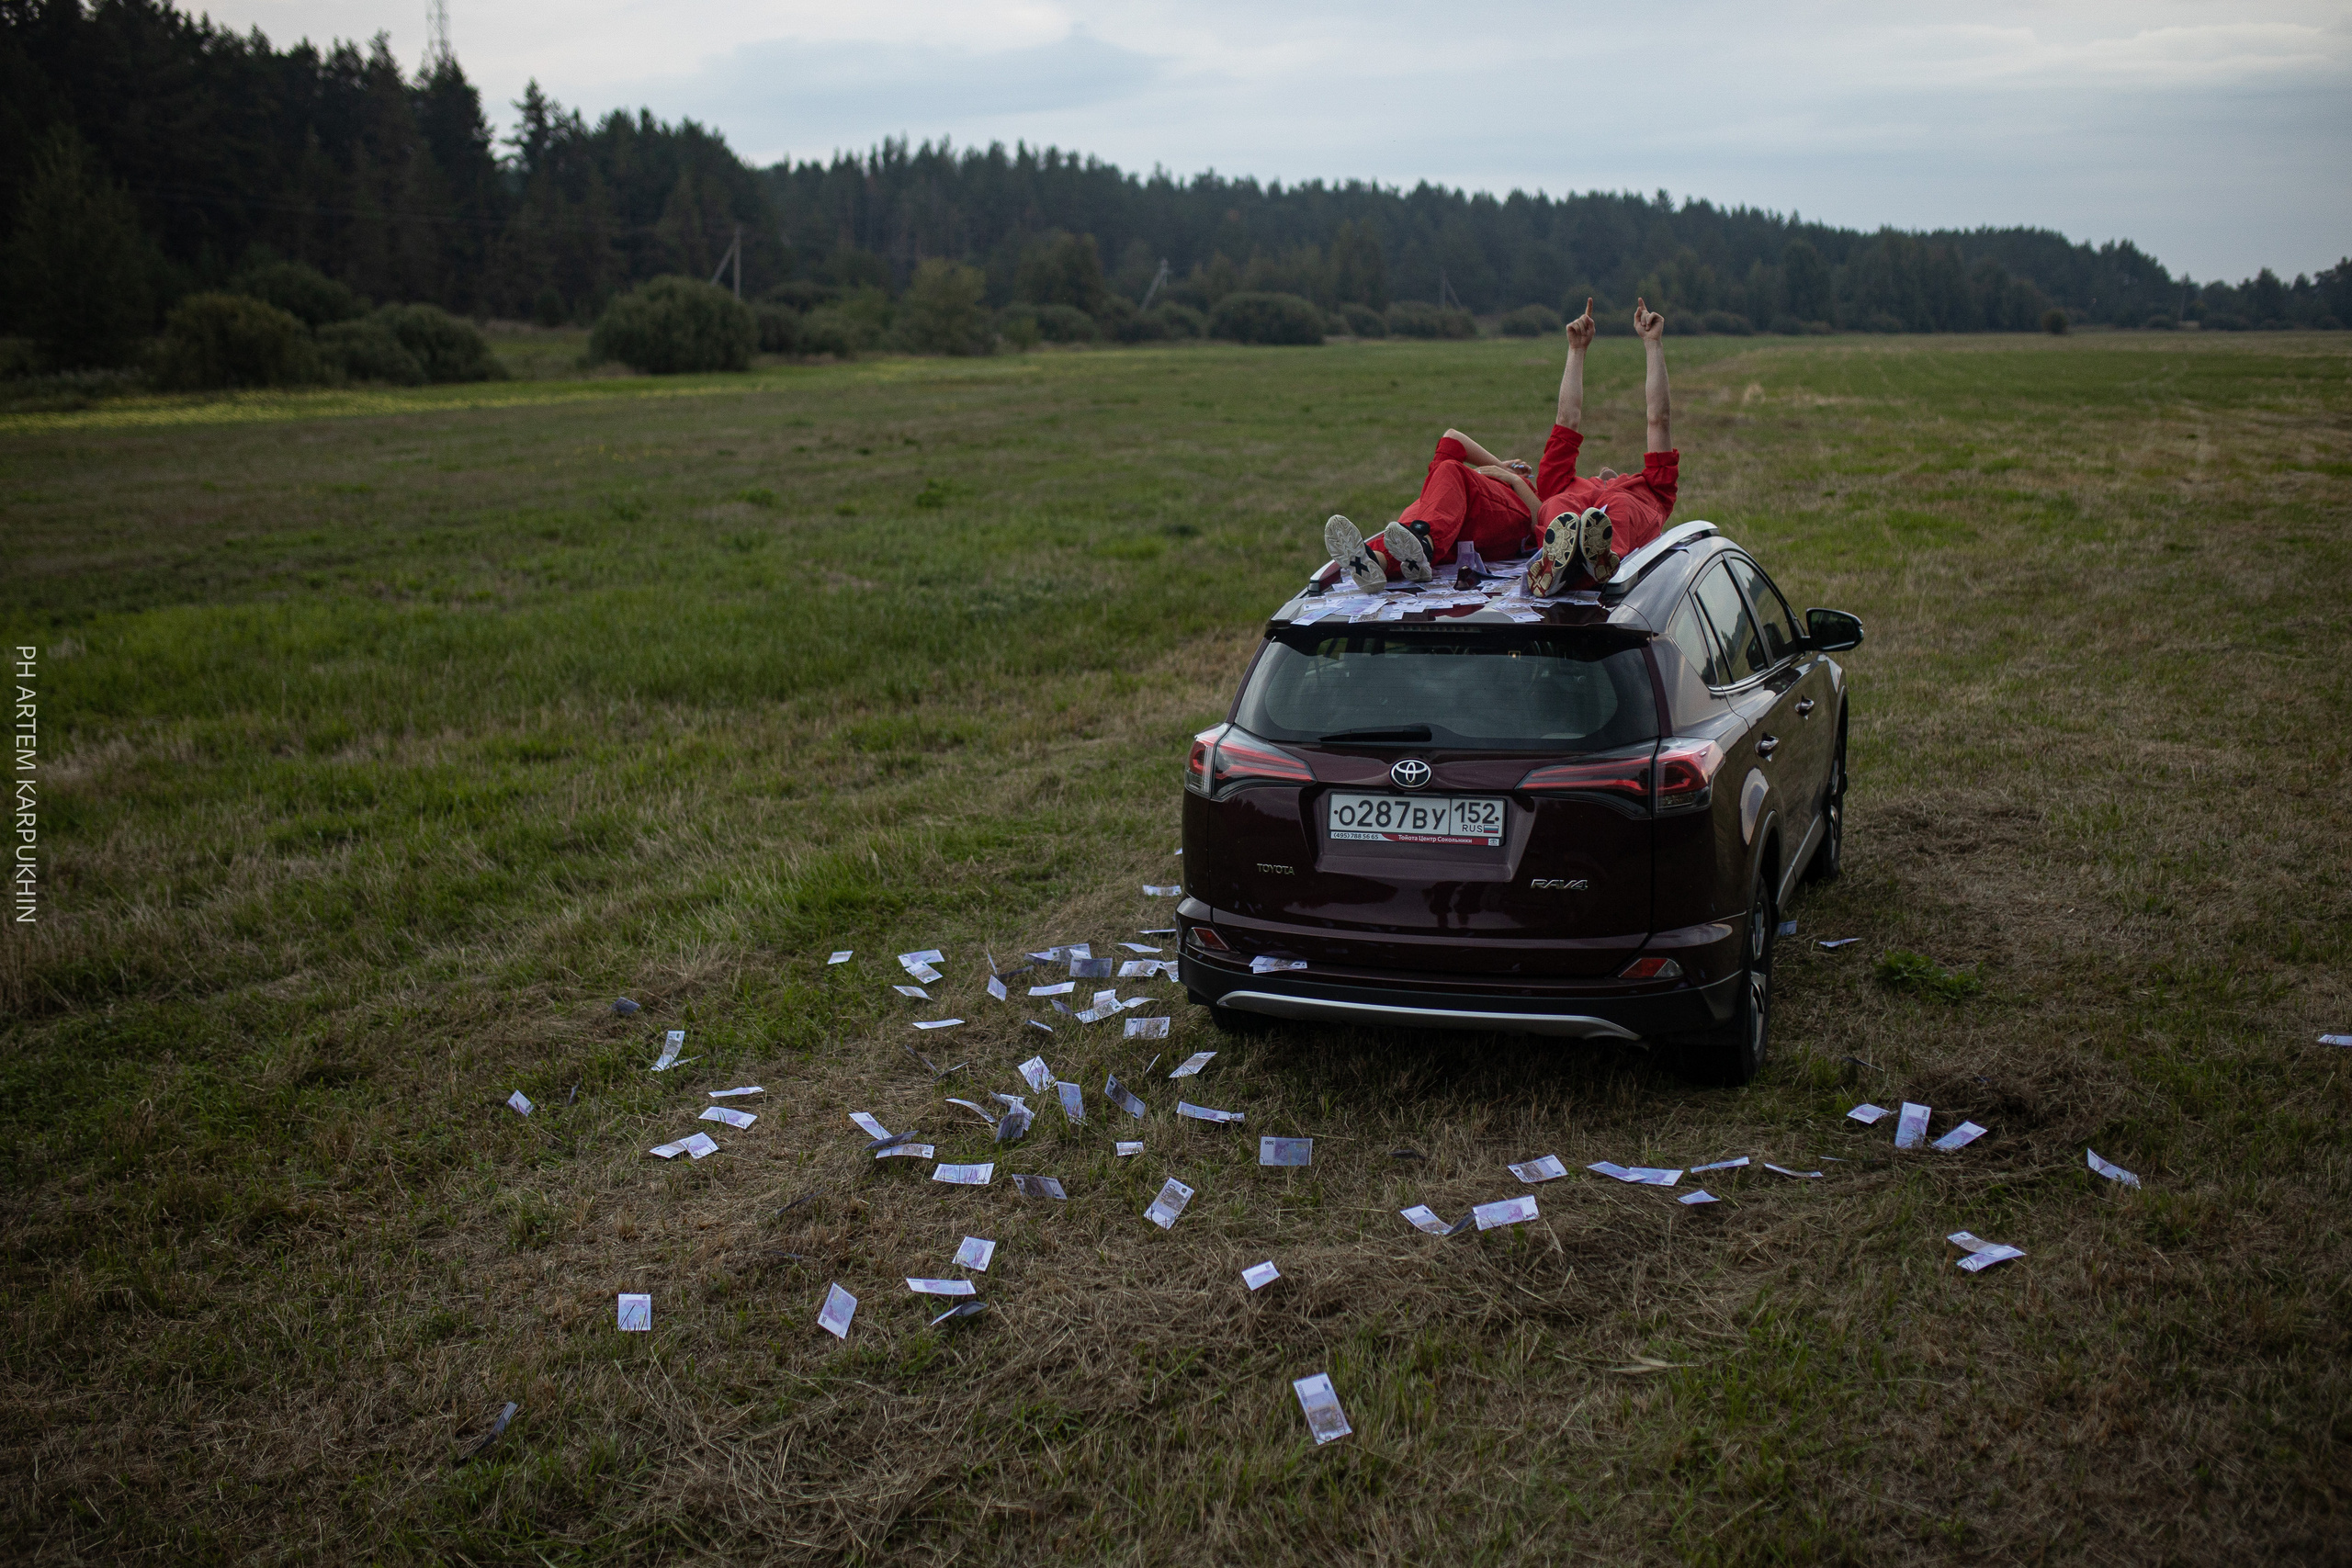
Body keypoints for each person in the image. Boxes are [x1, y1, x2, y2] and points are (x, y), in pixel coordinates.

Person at [1322, 298, 1679, 596]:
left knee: (1608, 511)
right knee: (1561, 514)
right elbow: (1568, 417)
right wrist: (1576, 350)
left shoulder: (1652, 491)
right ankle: (1385, 560)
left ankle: (1582, 563)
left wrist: (1653, 344)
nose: (1604, 472)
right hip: (1555, 531)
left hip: (1596, 532)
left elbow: (1658, 419)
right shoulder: (1563, 484)